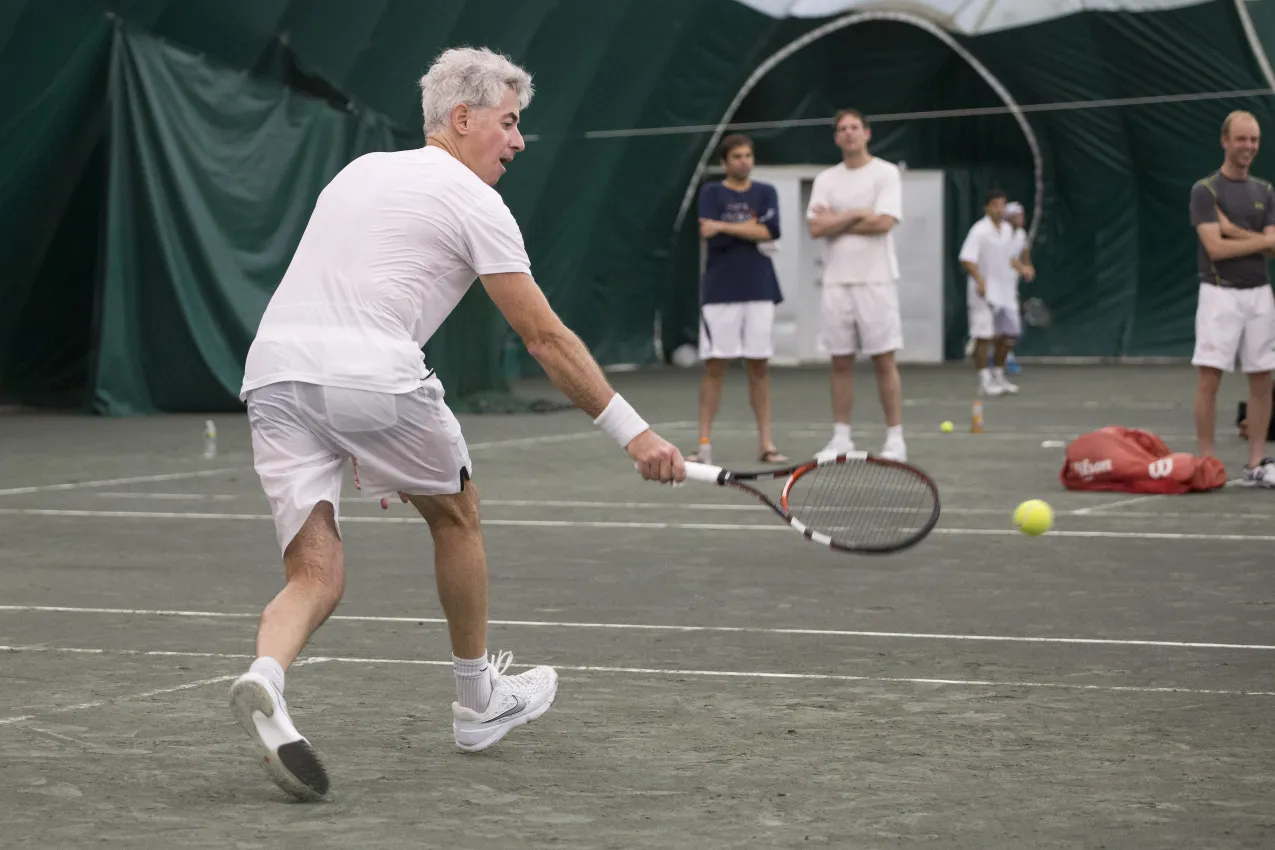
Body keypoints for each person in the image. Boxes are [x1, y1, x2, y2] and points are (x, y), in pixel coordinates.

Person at [230, 46, 686, 801]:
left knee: (315, 574)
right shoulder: (475, 201)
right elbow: (544, 338)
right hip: (370, 374)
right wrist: (635, 434)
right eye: (508, 122)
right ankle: (477, 703)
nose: (518, 141)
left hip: (275, 375)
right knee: (456, 516)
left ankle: (266, 677)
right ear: (462, 117)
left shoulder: (358, 171)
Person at [806, 109, 907, 462]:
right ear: (836, 137)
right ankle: (841, 437)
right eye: (842, 129)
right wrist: (856, 213)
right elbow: (815, 228)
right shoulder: (825, 179)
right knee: (840, 362)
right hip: (836, 281)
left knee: (884, 359)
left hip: (877, 280)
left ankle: (895, 439)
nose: (849, 133)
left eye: (854, 127)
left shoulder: (886, 173)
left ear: (867, 133)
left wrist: (836, 220)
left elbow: (883, 223)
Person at [690, 133, 787, 465]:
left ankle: (766, 444)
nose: (744, 161)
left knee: (759, 366)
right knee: (716, 365)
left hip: (760, 290)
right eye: (737, 157)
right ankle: (704, 445)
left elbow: (770, 231)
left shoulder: (766, 192)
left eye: (748, 156)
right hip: (720, 294)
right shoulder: (711, 192)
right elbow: (708, 232)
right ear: (724, 162)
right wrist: (748, 226)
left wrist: (724, 226)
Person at [1189, 109, 1275, 486]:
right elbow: (1215, 249)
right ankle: (1207, 462)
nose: (1248, 146)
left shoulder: (1265, 191)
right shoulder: (1205, 190)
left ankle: (1256, 464)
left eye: (1254, 140)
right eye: (1241, 139)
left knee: (1262, 379)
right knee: (1210, 378)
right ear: (1225, 141)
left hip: (1260, 295)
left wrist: (1233, 231)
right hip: (1219, 295)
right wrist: (1259, 241)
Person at [959, 189, 1029, 396]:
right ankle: (984, 381)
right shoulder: (979, 231)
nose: (1000, 209)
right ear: (987, 208)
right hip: (983, 293)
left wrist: (1023, 268)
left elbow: (1011, 258)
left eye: (1002, 205)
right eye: (995, 205)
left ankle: (999, 375)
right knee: (983, 336)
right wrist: (980, 281)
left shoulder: (1007, 230)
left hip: (1005, 292)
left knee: (1007, 336)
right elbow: (967, 259)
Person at [1002, 201, 1035, 376]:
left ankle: (1003, 356)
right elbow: (1008, 259)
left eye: (1022, 214)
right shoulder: (1000, 234)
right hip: (995, 285)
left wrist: (1028, 265)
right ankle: (1005, 359)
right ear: (1009, 217)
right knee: (1003, 325)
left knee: (1012, 327)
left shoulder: (1021, 234)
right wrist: (1023, 269)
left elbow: (1024, 251)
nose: (1021, 217)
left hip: (1011, 287)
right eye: (1017, 215)